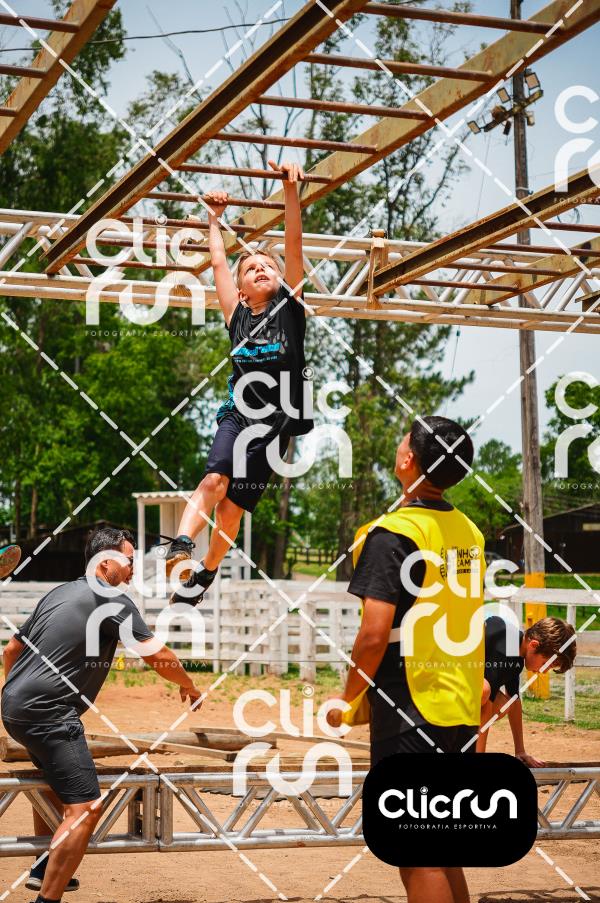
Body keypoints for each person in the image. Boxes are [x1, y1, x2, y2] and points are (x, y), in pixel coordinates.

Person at [327, 416, 484, 903]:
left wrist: (347, 697)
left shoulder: (394, 533)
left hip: (411, 703)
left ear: (408, 459)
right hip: (459, 703)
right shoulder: (469, 532)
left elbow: (374, 634)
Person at [1, 526, 202, 903]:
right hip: (50, 713)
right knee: (87, 808)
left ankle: (44, 867)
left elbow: (11, 650)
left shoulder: (58, 592)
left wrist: (17, 693)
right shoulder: (112, 599)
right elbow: (157, 655)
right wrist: (190, 686)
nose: (134, 567)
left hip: (14, 709)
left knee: (53, 784)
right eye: (129, 560)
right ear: (104, 562)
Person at [163, 160, 313, 606]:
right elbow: (218, 264)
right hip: (239, 415)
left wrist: (290, 191)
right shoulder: (237, 315)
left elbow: (293, 243)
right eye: (252, 268)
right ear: (242, 289)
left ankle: (205, 574)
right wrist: (213, 219)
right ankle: (181, 546)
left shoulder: (290, 309)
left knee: (231, 513)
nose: (262, 269)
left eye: (268, 266)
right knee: (214, 480)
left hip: (276, 425)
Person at [477, 614, 576, 765]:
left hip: (460, 690)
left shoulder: (516, 653)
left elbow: (514, 700)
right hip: (442, 682)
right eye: (546, 664)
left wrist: (520, 751)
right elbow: (485, 708)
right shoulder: (504, 647)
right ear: (534, 645)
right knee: (485, 692)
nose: (544, 671)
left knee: (505, 704)